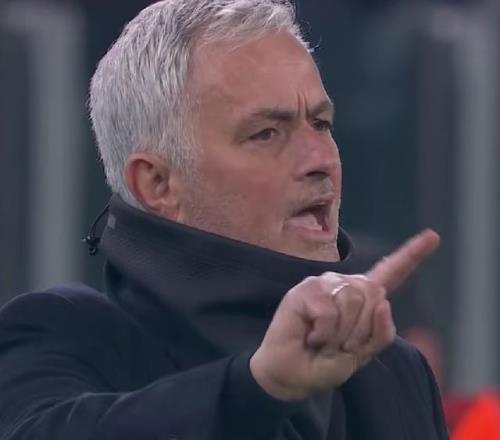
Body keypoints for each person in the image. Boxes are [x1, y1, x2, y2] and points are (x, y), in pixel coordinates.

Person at [0, 1, 448, 439]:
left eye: (321, 123)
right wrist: (260, 388)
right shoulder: (61, 335)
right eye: (266, 133)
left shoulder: (393, 371)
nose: (321, 160)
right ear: (157, 184)